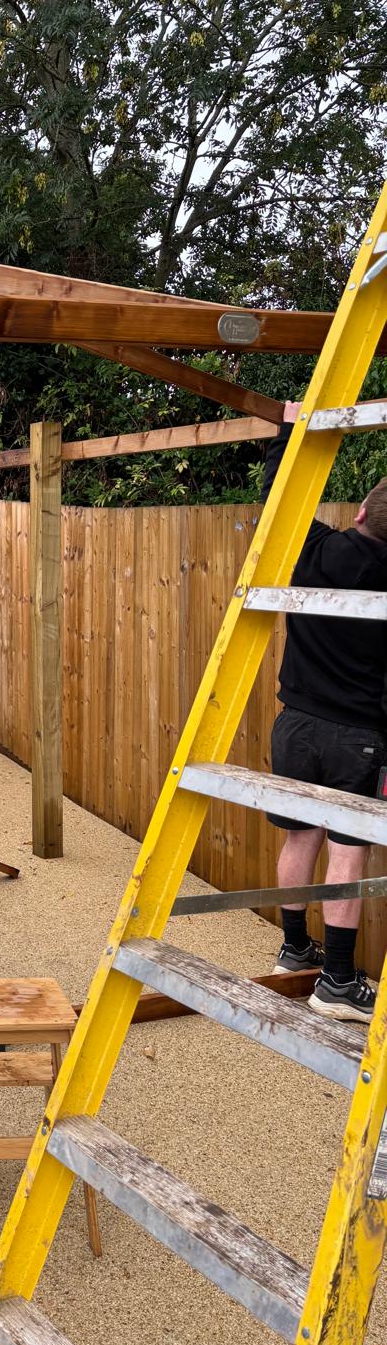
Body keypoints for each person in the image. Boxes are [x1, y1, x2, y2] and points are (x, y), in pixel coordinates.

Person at [263, 401, 387, 1022]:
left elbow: (279, 496)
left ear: (360, 513)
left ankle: (294, 948)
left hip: (294, 724)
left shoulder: (313, 549)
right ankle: (336, 980)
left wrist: (288, 431)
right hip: (356, 736)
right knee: (346, 850)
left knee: (300, 836)